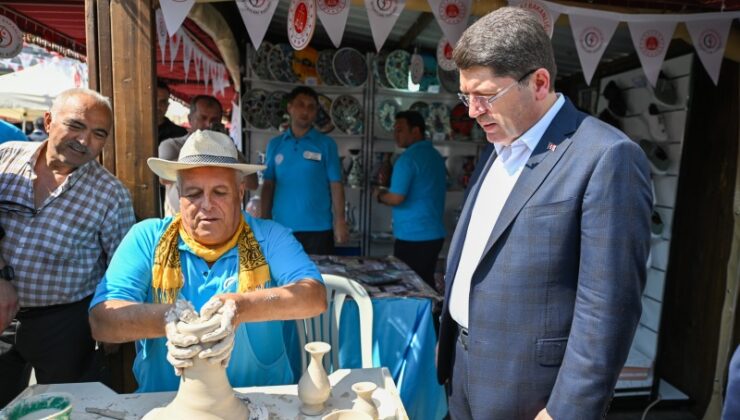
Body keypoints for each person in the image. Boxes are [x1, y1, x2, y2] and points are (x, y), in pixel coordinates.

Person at [436, 8, 652, 419]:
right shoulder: (499, 143)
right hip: (463, 370)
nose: (472, 111)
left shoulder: (607, 156)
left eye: (485, 95)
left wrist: (566, 411)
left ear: (538, 83)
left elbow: (608, 309)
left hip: (532, 394)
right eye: (466, 96)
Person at [89, 130, 327, 392]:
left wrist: (240, 307)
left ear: (240, 193)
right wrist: (169, 319)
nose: (206, 204)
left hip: (262, 401)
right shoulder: (148, 237)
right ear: (178, 195)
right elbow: (102, 321)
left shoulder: (270, 236)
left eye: (220, 192)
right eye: (193, 193)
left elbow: (313, 297)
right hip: (167, 402)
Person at [0, 88, 136, 406]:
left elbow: (121, 266)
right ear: (48, 121)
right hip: (2, 313)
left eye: (98, 134)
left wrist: (112, 322)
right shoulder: (6, 157)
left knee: (70, 405)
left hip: (65, 324)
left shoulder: (110, 194)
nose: (85, 141)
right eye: (76, 126)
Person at [261, 86, 348, 255]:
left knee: (318, 279)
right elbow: (268, 185)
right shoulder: (275, 144)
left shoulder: (326, 144)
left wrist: (340, 221)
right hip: (281, 229)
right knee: (283, 280)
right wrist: (264, 221)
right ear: (290, 108)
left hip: (319, 229)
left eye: (311, 107)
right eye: (301, 104)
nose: (306, 111)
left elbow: (336, 185)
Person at [374, 110, 446, 289]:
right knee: (425, 284)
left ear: (415, 131)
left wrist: (379, 195)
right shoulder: (435, 156)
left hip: (413, 237)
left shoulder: (407, 159)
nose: (395, 135)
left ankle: (425, 317)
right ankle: (431, 317)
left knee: (411, 289)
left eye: (400, 130)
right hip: (433, 235)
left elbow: (396, 198)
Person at [159, 95, 256, 216]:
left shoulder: (226, 149)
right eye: (203, 118)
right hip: (178, 221)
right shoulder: (173, 145)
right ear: (190, 119)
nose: (208, 124)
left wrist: (229, 147)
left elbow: (252, 183)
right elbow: (164, 177)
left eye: (214, 120)